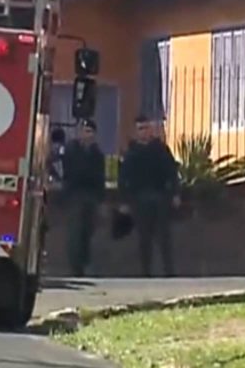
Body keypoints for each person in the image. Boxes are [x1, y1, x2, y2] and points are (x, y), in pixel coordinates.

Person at [118, 114, 182, 277]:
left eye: (146, 128)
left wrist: (175, 193)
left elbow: (172, 172)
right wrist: (124, 201)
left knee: (164, 237)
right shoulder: (131, 153)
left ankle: (169, 271)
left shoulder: (160, 150)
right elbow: (123, 179)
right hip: (139, 200)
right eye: (140, 129)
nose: (144, 132)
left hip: (160, 198)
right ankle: (145, 272)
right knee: (144, 238)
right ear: (135, 131)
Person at [62, 119, 106, 277]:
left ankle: (85, 263)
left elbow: (100, 178)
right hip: (75, 195)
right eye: (85, 131)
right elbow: (71, 172)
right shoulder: (72, 150)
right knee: (75, 233)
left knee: (87, 232)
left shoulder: (97, 154)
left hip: (91, 196)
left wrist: (101, 199)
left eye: (90, 132)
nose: (87, 135)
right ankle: (75, 267)